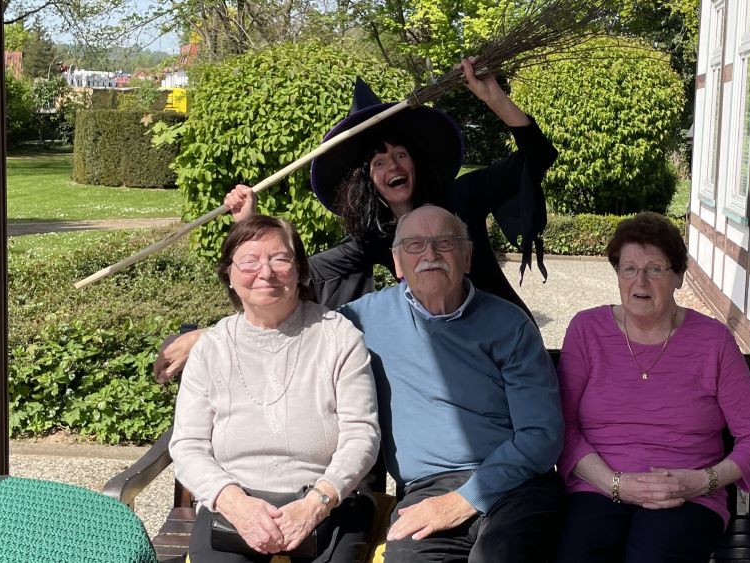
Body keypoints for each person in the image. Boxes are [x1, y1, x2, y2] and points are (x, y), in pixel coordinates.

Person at [157, 58, 557, 382]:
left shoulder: (461, 198)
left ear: (414, 163)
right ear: (368, 180)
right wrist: (251, 221)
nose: (392, 166)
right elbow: (293, 276)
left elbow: (537, 157)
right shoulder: (374, 239)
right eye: (378, 162)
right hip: (451, 362)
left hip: (507, 344)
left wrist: (494, 98)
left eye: (400, 155)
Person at [338, 205, 564, 563]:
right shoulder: (362, 319)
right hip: (427, 490)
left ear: (467, 256)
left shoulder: (509, 325)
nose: (430, 254)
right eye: (414, 245)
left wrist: (465, 499)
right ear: (397, 264)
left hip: (516, 484)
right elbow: (289, 315)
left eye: (445, 242)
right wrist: (248, 231)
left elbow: (541, 435)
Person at [554, 212, 750, 563]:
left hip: (686, 497)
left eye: (655, 269)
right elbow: (562, 427)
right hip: (598, 488)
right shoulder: (587, 330)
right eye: (629, 268)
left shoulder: (713, 341)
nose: (640, 281)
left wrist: (703, 481)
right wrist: (616, 483)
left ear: (677, 277)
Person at [169, 215, 381, 563]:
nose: (265, 272)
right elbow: (188, 446)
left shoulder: (338, 336)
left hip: (329, 502)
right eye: (249, 261)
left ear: (299, 269)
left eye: (279, 259)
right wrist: (235, 503)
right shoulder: (212, 347)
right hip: (234, 504)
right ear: (230, 277)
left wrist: (316, 504)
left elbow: (362, 435)